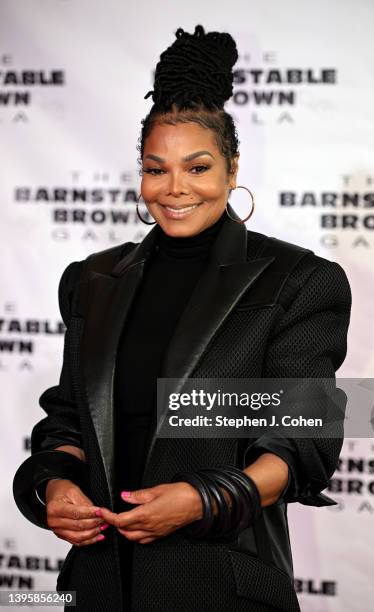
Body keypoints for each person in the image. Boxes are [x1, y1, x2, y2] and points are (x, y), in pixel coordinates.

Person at [13, 25, 352, 612]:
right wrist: (53, 486)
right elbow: (68, 423)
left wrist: (202, 499)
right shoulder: (92, 282)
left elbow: (305, 443)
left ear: (231, 167)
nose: (174, 189)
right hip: (95, 583)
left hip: (221, 582)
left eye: (197, 167)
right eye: (155, 168)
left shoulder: (298, 281)